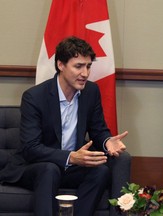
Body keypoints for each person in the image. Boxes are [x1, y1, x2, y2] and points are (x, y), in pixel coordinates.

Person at [0, 36, 128, 216]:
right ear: (61, 65)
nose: (85, 73)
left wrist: (107, 142)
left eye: (88, 66)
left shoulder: (91, 92)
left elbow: (98, 130)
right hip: (35, 166)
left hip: (71, 167)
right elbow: (31, 148)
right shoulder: (34, 97)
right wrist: (71, 157)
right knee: (49, 169)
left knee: (100, 172)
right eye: (78, 66)